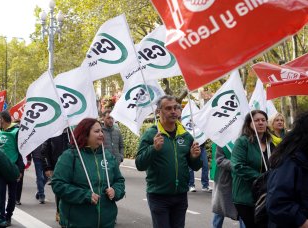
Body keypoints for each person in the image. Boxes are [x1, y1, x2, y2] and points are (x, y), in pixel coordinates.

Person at [136, 95, 202, 228]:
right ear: (158, 112)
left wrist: (195, 157)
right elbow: (139, 164)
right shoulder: (151, 134)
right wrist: (154, 148)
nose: (174, 111)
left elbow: (195, 167)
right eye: (168, 108)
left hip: (181, 195)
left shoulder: (186, 135)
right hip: (158, 195)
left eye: (176, 108)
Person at [51, 118, 125, 227]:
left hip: (106, 223)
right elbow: (58, 184)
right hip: (77, 223)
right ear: (85, 134)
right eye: (96, 131)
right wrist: (84, 195)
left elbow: (119, 181)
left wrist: (115, 191)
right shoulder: (70, 156)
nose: (101, 134)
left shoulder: (108, 156)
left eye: (101, 131)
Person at [231, 110, 279, 228]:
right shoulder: (242, 142)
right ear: (249, 124)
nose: (260, 123)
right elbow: (238, 166)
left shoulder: (270, 143)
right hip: (246, 196)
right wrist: (263, 178)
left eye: (263, 120)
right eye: (256, 120)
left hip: (267, 194)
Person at [266, 111, 308, 228]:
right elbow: (277, 204)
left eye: (281, 120)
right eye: (277, 120)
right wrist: (303, 222)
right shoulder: (290, 161)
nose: (280, 122)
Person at [0, 110, 24, 227]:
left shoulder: (16, 132)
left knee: (12, 195)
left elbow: (21, 152)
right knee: (0, 194)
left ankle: (8, 216)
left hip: (13, 168)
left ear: (2, 120)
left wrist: (20, 170)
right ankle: (1, 217)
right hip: (0, 170)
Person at [211, 144, 245, 228]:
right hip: (224, 180)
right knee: (219, 211)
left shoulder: (245, 140)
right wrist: (235, 164)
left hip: (242, 180)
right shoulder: (222, 141)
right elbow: (219, 160)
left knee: (244, 210)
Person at [41, 128, 70, 223]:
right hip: (56, 167)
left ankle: (68, 213)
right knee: (60, 191)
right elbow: (44, 151)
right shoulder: (52, 131)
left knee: (70, 191)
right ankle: (59, 211)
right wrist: (47, 167)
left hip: (71, 166)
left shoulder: (72, 132)